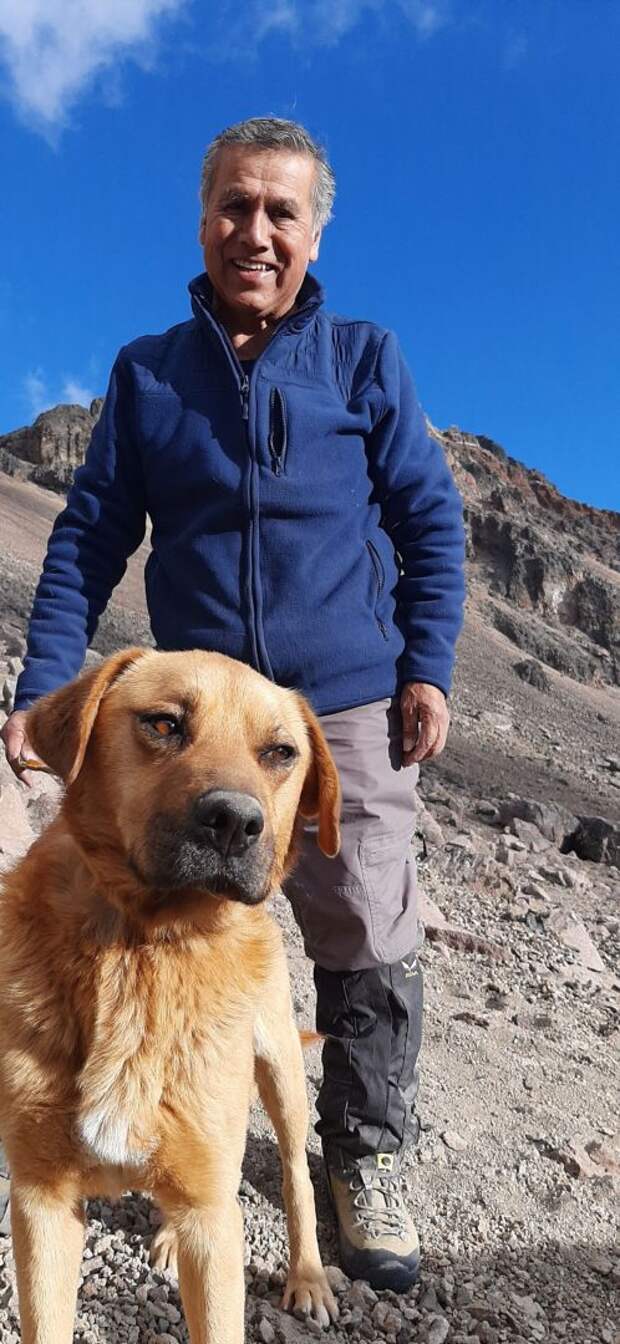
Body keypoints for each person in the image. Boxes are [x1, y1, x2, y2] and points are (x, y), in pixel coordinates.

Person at [1, 117, 465, 1291]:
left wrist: (426, 666)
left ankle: (364, 1159)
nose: (254, 232)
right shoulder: (149, 371)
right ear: (202, 216)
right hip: (185, 714)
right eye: (233, 206)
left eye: (281, 212)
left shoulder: (363, 359)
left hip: (338, 711)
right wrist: (47, 684)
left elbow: (426, 523)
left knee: (361, 928)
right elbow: (92, 534)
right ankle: (140, 1120)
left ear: (313, 232)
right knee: (136, 911)